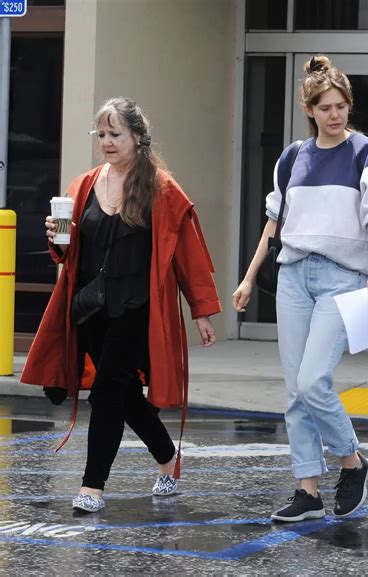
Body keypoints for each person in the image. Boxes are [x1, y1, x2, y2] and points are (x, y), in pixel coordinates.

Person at [21, 97, 221, 513]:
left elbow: (188, 255)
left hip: (138, 308)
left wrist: (201, 310)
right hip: (90, 307)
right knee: (126, 394)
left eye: (116, 134)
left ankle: (92, 487)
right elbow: (67, 254)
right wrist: (55, 238)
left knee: (109, 391)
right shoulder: (84, 185)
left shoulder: (162, 189)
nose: (108, 142)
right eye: (102, 135)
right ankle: (168, 459)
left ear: (137, 136)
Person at [233, 55, 368, 522]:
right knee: (294, 389)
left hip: (343, 279)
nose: (335, 114)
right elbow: (274, 223)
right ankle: (307, 491)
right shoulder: (292, 158)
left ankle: (351, 460)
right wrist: (248, 278)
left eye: (341, 105)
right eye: (325, 106)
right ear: (310, 110)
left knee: (313, 381)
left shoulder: (366, 152)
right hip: (293, 277)